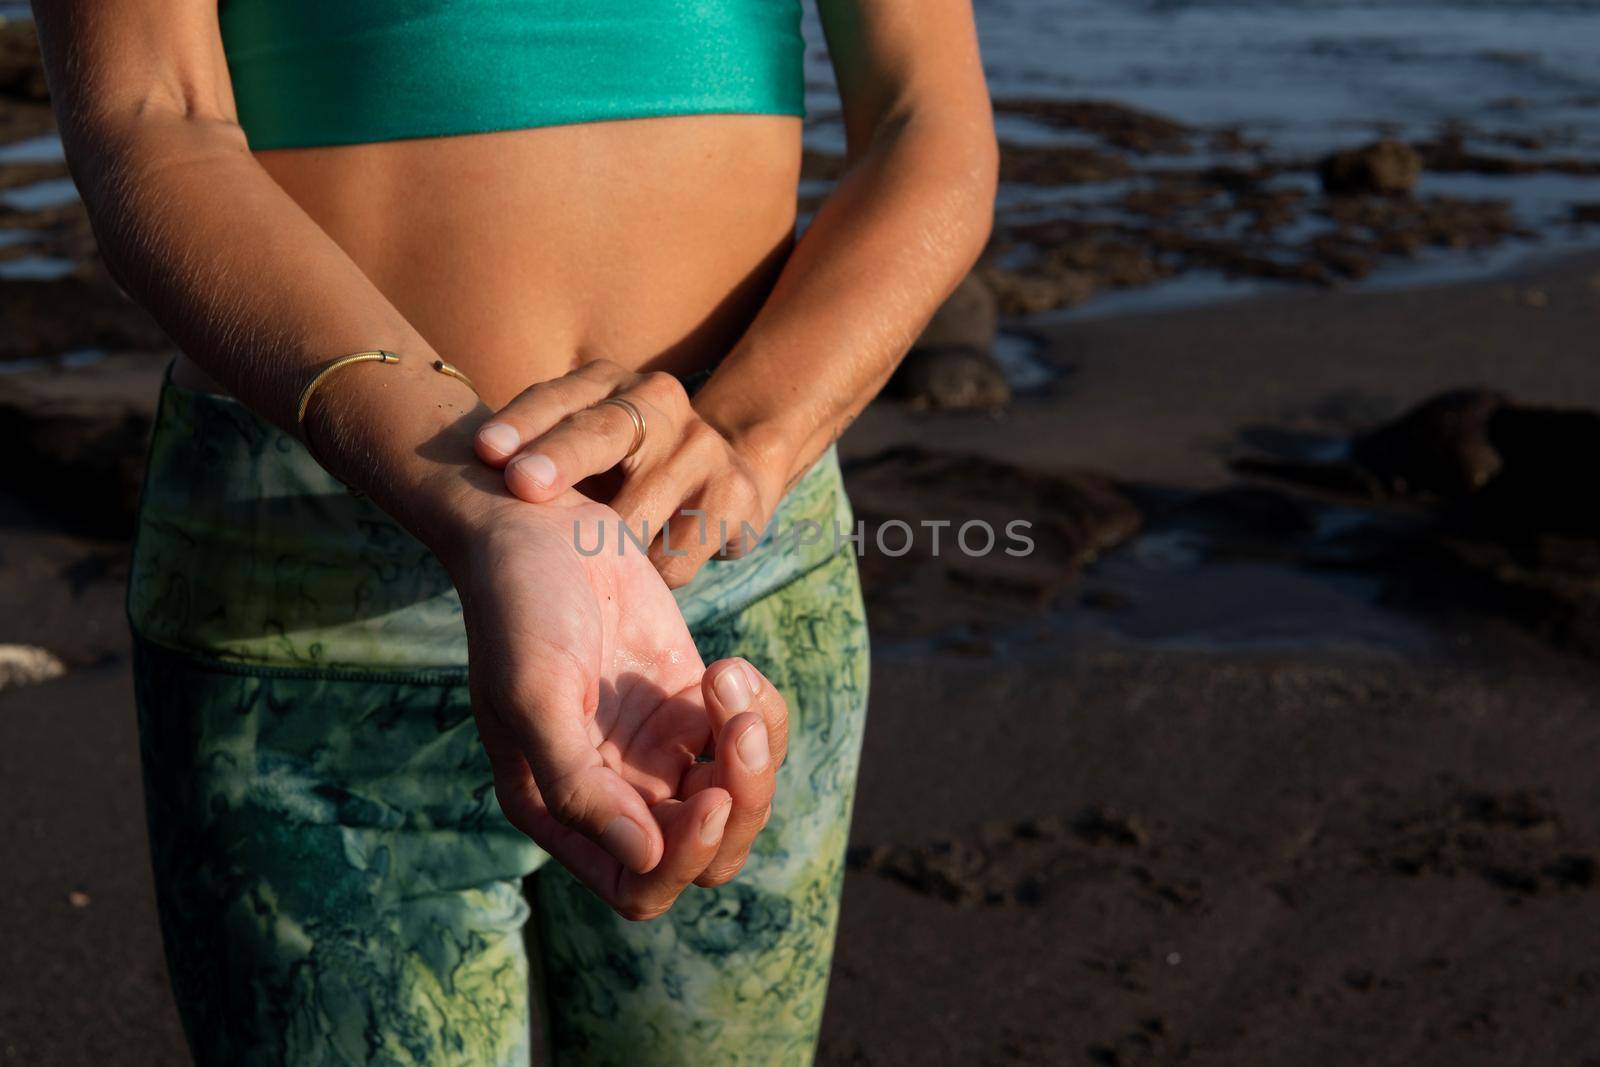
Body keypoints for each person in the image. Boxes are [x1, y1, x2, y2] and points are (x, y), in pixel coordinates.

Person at [30, 0, 997, 1062]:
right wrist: (479, 505)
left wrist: (748, 439)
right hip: (312, 612)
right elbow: (150, 118)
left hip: (733, 572)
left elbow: (927, 120)